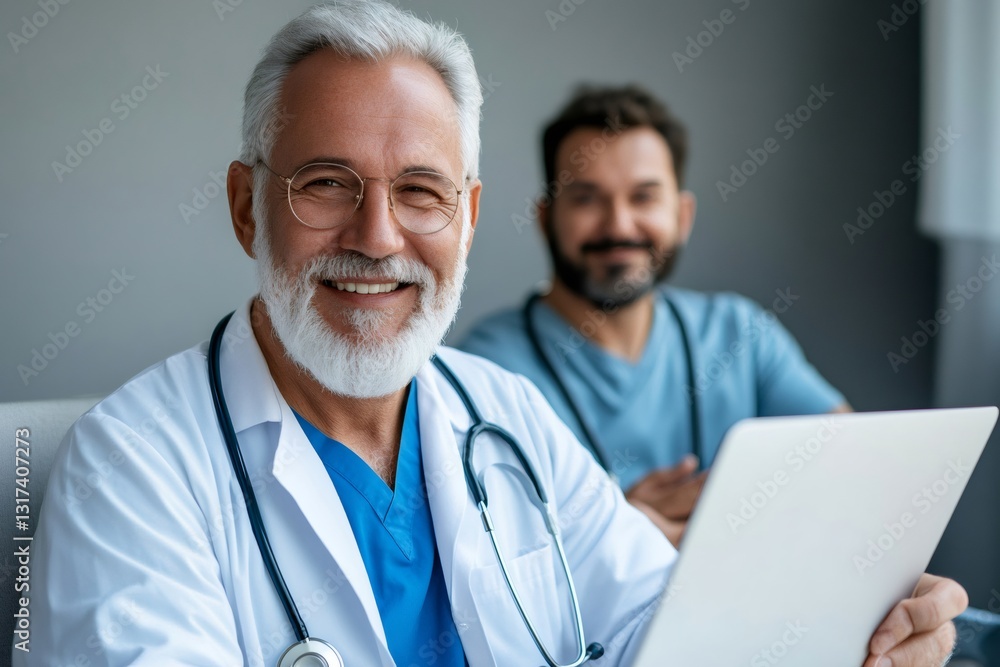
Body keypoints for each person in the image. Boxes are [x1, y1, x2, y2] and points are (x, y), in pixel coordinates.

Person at [18, 4, 963, 666]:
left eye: (421, 192)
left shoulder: (502, 411)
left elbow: (661, 628)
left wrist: (851, 631)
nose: (377, 238)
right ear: (244, 207)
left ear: (468, 218)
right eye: (324, 183)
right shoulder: (134, 465)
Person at [459, 85, 850, 542]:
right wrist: (615, 534)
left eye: (643, 197)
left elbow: (854, 471)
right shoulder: (485, 370)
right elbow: (479, 553)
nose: (619, 225)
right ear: (546, 219)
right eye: (586, 198)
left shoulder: (740, 334)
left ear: (683, 216)